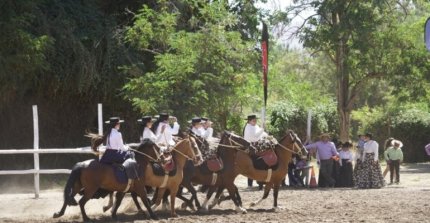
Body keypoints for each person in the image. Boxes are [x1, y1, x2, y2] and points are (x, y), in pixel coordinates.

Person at [243, 114, 268, 190]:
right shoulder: (248, 128)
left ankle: (262, 182)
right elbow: (254, 137)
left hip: (257, 145)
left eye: (255, 120)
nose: (255, 121)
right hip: (251, 147)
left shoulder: (254, 126)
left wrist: (266, 135)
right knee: (253, 164)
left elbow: (261, 134)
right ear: (249, 121)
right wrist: (262, 129)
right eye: (253, 120)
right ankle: (250, 185)